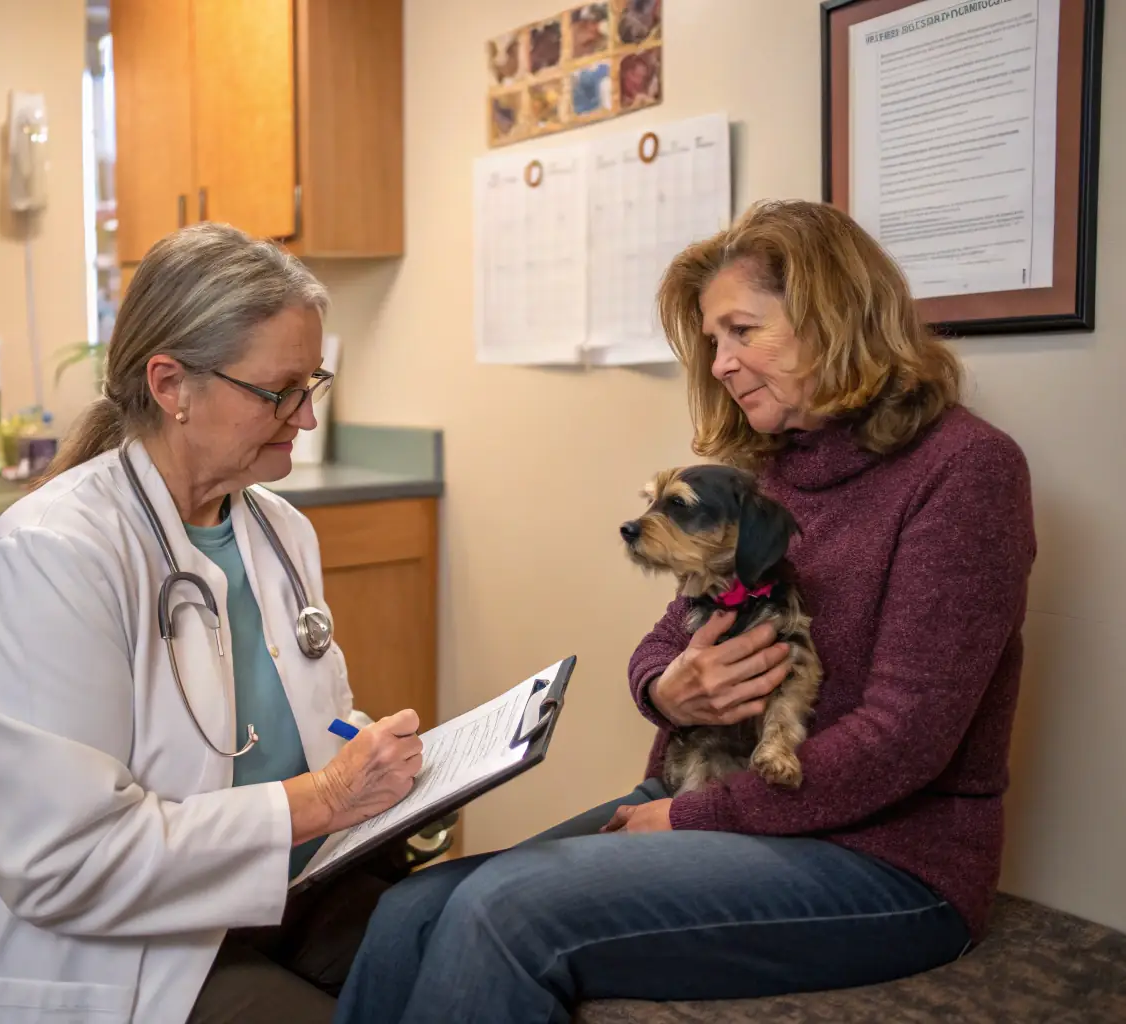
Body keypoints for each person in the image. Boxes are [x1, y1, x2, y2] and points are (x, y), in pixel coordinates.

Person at [332, 199, 1037, 1024]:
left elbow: (905, 739)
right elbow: (668, 642)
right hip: (723, 799)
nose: (723, 363)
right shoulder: (765, 470)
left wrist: (694, 814)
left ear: (832, 319)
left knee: (507, 909)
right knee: (411, 908)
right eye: (712, 341)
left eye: (743, 330)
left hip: (885, 860)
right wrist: (664, 693)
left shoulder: (965, 473)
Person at [0, 224, 425, 1024]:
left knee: (458, 942)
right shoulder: (52, 556)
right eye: (278, 391)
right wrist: (322, 798)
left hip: (267, 894)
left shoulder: (281, 533)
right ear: (171, 385)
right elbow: (64, 862)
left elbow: (302, 723)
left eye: (310, 384)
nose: (306, 419)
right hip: (102, 947)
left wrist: (377, 758)